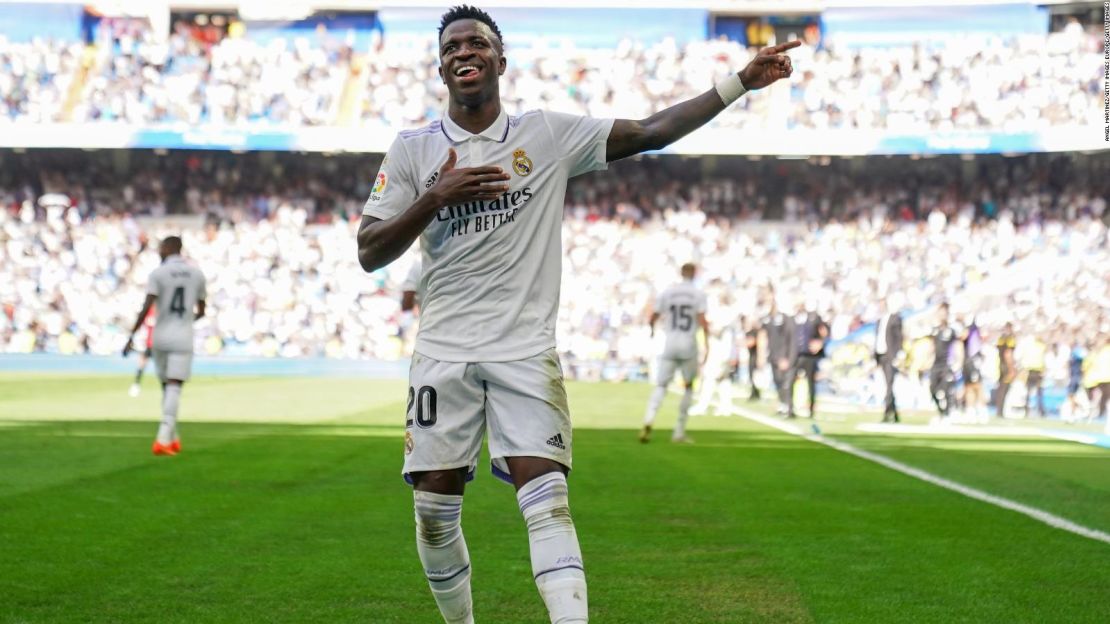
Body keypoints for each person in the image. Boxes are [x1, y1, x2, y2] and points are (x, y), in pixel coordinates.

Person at [353, 6, 797, 622]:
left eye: (478, 42)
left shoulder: (547, 134)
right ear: (442, 66)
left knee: (548, 499)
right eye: (454, 45)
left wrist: (739, 83)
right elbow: (370, 252)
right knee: (433, 513)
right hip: (442, 353)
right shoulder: (413, 150)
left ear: (500, 61)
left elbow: (649, 132)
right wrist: (435, 196)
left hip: (524, 351)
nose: (465, 52)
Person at [123, 236, 207, 456]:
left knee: (167, 387)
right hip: (183, 336)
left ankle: (172, 438)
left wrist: (131, 335)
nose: (159, 251)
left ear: (169, 248)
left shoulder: (158, 273)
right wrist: (186, 320)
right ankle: (164, 438)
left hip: (160, 335)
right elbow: (202, 310)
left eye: (161, 248)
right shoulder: (197, 274)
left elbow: (147, 306)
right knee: (174, 386)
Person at [641, 263, 709, 443]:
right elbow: (703, 320)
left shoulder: (668, 292)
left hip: (669, 343)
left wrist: (652, 332)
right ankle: (679, 432)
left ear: (681, 273)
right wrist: (707, 343)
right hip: (688, 344)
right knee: (688, 386)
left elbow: (653, 316)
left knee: (661, 385)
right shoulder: (698, 294)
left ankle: (648, 419)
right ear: (694, 274)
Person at [790, 300, 828, 419]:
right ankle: (790, 407)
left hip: (810, 355)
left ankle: (811, 409)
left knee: (811, 382)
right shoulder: (792, 319)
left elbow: (825, 331)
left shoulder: (814, 318)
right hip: (795, 355)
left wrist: (820, 343)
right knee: (790, 380)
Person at [762, 296, 797, 417]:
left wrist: (787, 358)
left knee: (786, 384)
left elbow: (791, 341)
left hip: (785, 357)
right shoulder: (769, 319)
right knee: (778, 382)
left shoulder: (787, 320)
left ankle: (789, 408)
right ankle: (783, 405)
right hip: (774, 356)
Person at [873, 298, 903, 423]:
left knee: (889, 384)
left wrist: (899, 353)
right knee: (887, 384)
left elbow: (899, 337)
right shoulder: (879, 320)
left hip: (891, 355)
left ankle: (887, 413)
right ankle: (894, 414)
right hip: (881, 355)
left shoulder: (895, 318)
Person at [929, 303, 958, 422]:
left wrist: (957, 362)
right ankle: (941, 412)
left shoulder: (951, 331)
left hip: (947, 364)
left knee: (946, 389)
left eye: (944, 312)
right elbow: (931, 347)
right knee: (932, 389)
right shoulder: (935, 330)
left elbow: (957, 347)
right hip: (936, 365)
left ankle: (947, 414)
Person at [961, 317, 986, 423]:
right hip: (968, 362)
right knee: (968, 387)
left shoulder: (974, 330)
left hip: (973, 361)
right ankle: (970, 410)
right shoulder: (969, 330)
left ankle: (981, 410)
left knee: (977, 386)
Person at [128, 305, 156, 397]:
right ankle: (136, 384)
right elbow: (141, 323)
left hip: (161, 344)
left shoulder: (163, 310)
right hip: (149, 343)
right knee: (142, 363)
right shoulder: (148, 311)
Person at [1018, 332, 1047, 418]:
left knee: (1028, 392)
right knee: (1039, 392)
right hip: (1038, 370)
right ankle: (1040, 411)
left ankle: (1026, 410)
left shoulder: (1029, 346)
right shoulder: (1042, 346)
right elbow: (1043, 359)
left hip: (1030, 370)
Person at [995, 322, 1017, 418]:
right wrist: (1011, 368)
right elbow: (1008, 354)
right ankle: (1001, 411)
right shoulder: (1010, 339)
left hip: (1000, 365)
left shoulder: (1001, 339)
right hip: (1006, 366)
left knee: (1001, 389)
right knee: (1004, 389)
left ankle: (999, 410)